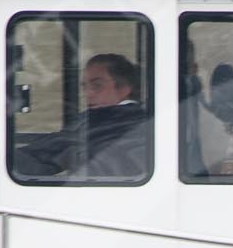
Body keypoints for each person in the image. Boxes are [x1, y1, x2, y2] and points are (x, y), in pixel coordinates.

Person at [18, 52, 150, 180]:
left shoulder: (108, 120)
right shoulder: (139, 119)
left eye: (97, 86)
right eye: (85, 87)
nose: (88, 93)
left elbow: (55, 148)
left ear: (124, 89)